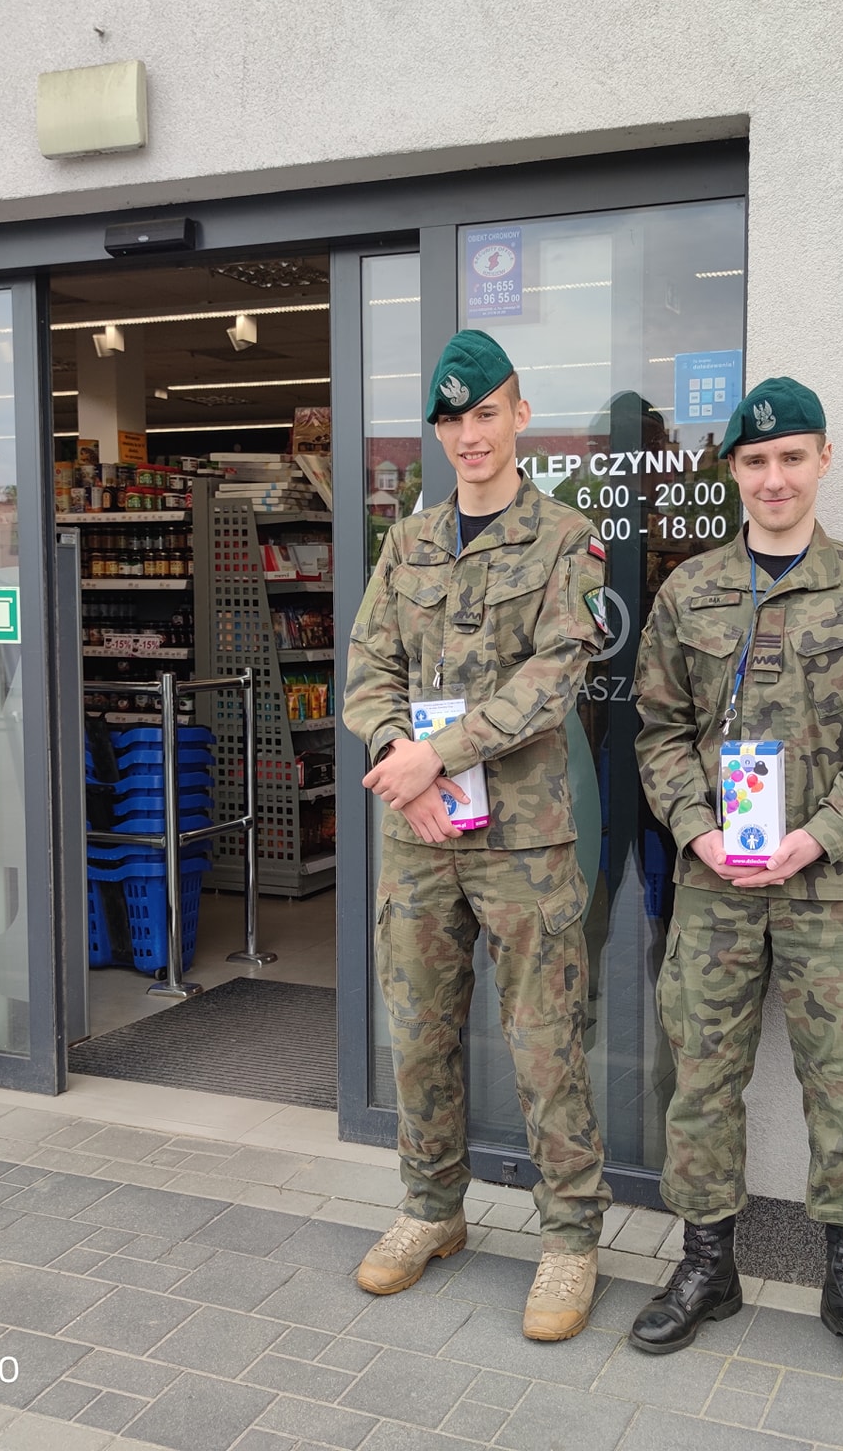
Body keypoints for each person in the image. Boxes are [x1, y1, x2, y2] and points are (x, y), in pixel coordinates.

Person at [628, 377, 843, 1387]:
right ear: (732, 471)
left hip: (828, 884)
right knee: (700, 1081)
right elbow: (658, 732)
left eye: (790, 458)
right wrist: (694, 831)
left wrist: (820, 835)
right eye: (754, 461)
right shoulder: (688, 592)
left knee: (839, 1082)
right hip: (716, 884)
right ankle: (705, 1267)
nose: (773, 478)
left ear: (820, 460)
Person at [342, 329, 614, 1341]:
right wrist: (391, 753)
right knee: (417, 1035)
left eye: (484, 414)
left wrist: (439, 753)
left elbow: (555, 676)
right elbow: (366, 665)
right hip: (418, 835)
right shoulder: (407, 542)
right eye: (452, 420)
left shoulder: (561, 538)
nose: (469, 436)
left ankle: (569, 1238)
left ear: (517, 416)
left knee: (544, 1043)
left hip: (524, 841)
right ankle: (429, 1209)